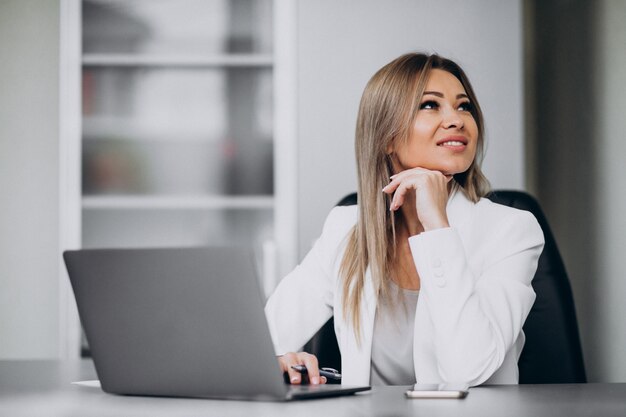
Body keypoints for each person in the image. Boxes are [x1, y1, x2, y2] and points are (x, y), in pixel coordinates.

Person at [265, 53, 545, 387]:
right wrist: (281, 358)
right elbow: (260, 342)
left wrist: (437, 227)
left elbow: (468, 370)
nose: (456, 120)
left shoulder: (511, 231)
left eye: (464, 106)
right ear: (387, 137)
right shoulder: (344, 229)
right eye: (430, 105)